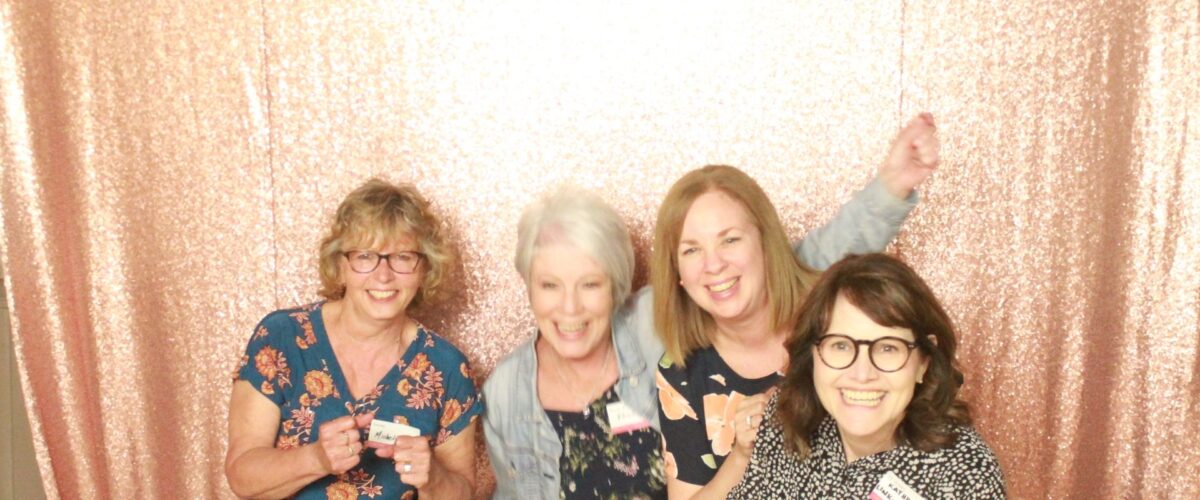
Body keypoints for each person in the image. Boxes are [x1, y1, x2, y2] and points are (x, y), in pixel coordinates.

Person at [652, 114, 940, 498]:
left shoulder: (828, 313)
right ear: (677, 273)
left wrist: (894, 183)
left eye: (730, 240)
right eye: (692, 250)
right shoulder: (682, 370)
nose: (713, 264)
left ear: (765, 242)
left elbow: (847, 241)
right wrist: (741, 455)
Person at [226, 179, 482, 499]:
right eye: (365, 256)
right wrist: (315, 459)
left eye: (403, 257)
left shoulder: (446, 367)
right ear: (340, 265)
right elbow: (241, 476)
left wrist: (434, 478)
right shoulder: (281, 338)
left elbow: (463, 491)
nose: (384, 275)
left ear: (424, 269)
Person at [729, 253, 1005, 498]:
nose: (862, 374)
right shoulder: (783, 420)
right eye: (841, 345)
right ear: (812, 354)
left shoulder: (966, 474)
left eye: (888, 348)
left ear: (923, 363)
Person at [484, 188, 666, 499]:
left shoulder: (654, 327)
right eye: (550, 285)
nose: (570, 307)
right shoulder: (505, 390)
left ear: (616, 285)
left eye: (590, 284)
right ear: (529, 287)